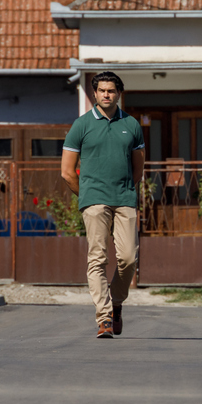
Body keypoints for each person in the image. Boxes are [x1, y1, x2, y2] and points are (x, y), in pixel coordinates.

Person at [62, 71, 145, 338]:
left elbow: (138, 167)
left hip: (124, 199)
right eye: (102, 90)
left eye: (111, 90)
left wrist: (127, 190)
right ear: (95, 93)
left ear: (118, 93)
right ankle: (104, 317)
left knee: (129, 258)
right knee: (97, 258)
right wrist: (87, 197)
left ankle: (116, 302)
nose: (106, 94)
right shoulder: (81, 125)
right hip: (94, 201)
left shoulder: (131, 124)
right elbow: (67, 172)